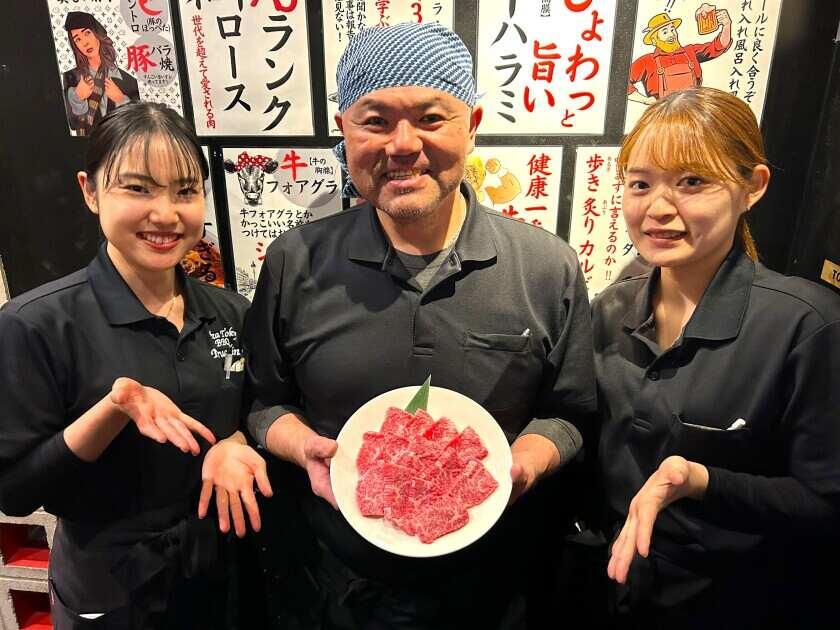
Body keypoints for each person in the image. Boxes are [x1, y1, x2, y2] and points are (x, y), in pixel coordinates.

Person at [244, 21, 596, 629]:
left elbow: (569, 414)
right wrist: (303, 448)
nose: (403, 144)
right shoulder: (294, 262)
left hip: (494, 588)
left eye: (431, 118)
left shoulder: (546, 267)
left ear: (472, 124)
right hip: (335, 585)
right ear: (344, 129)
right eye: (375, 121)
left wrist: (526, 461)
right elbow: (262, 404)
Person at [0, 102, 270, 629]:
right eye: (138, 188)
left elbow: (254, 410)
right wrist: (114, 408)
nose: (166, 214)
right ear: (90, 191)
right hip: (111, 587)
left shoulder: (231, 312)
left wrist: (234, 442)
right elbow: (15, 492)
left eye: (185, 191)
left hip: (223, 572)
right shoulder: (34, 324)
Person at [592, 87, 840, 628]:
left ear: (753, 186)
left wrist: (700, 480)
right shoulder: (610, 309)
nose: (658, 208)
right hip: (611, 588)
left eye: (691, 182)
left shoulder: (806, 325)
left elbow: (825, 501)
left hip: (731, 603)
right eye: (640, 184)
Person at [627, 9, 731, 104]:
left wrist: (727, 25)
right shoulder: (647, 61)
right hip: (664, 115)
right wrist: (645, 100)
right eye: (665, 32)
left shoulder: (690, 52)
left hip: (694, 110)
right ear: (654, 40)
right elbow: (622, 81)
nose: (671, 35)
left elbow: (718, 46)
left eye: (672, 29)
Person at [62, 11, 140, 136]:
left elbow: (139, 125)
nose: (85, 43)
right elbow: (72, 124)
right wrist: (77, 97)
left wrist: (121, 100)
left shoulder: (128, 79)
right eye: (77, 39)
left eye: (87, 33)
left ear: (98, 33)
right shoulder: (71, 77)